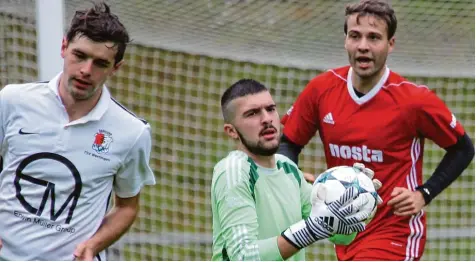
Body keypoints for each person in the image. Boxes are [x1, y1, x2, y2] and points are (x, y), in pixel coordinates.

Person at [278, 0, 474, 261]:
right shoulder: (321, 89)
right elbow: (288, 143)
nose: (363, 46)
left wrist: (423, 193)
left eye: (374, 38)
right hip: (344, 229)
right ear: (345, 40)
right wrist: (294, 177)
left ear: (390, 44)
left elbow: (462, 148)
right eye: (355, 36)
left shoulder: (414, 100)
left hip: (395, 231)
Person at [0, 3, 155, 260]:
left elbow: (127, 207)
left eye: (100, 63)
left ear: (115, 68)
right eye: (79, 56)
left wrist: (93, 244)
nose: (86, 70)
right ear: (63, 47)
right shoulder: (13, 100)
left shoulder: (132, 132)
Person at [211, 79, 380, 261]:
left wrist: (357, 203)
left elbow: (340, 236)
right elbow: (244, 256)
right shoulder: (233, 171)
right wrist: (310, 230)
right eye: (252, 113)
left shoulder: (288, 168)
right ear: (231, 131)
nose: (266, 119)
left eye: (270, 109)